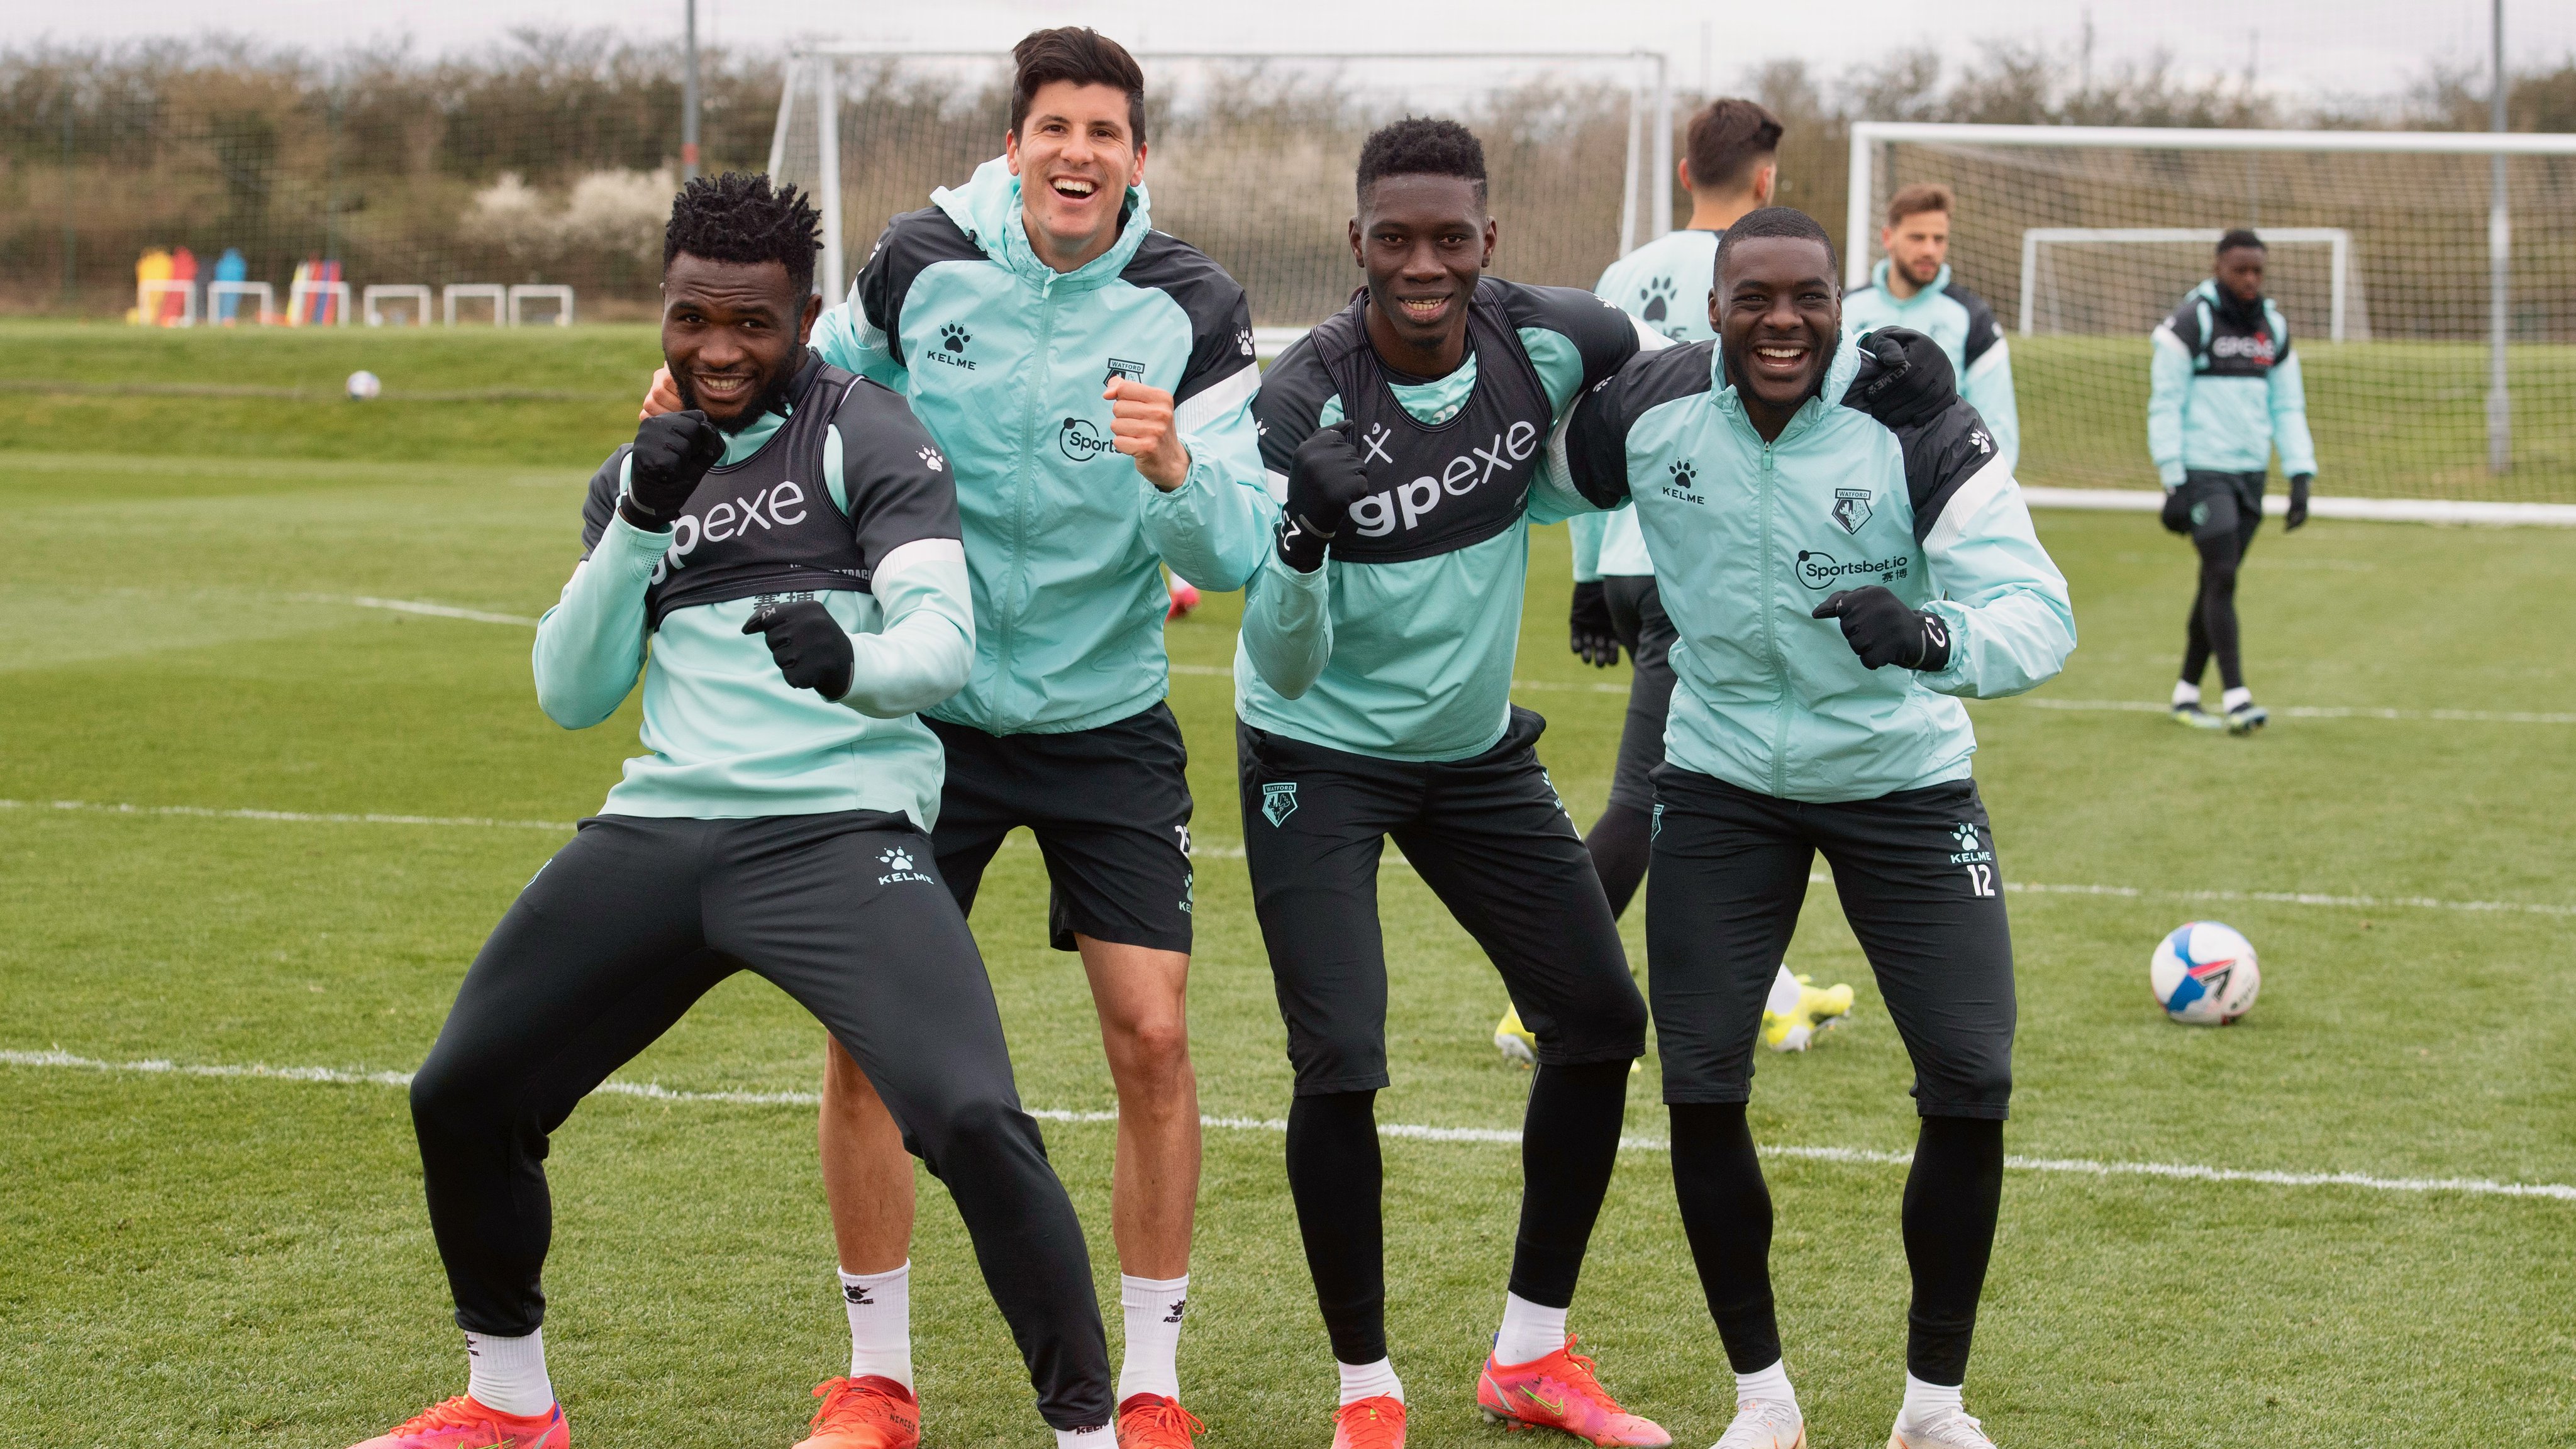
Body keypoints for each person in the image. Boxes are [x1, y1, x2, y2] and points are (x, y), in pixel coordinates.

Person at [353, 174, 1114, 1449]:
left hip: (834, 836)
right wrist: (640, 523)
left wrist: (852, 664)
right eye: (690, 319)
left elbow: (941, 642)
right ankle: (509, 1402)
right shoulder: (637, 473)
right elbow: (569, 692)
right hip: (659, 832)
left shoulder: (868, 433)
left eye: (750, 324)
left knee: (973, 1117)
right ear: (662, 308)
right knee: (462, 1093)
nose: (716, 351)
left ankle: (1085, 1433)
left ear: (803, 317)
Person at [643, 31, 1270, 1449]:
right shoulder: (919, 262)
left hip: (1105, 715)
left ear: (1137, 159)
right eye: (1053, 127)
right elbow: (804, 393)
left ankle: (1152, 1386)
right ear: (1013, 143)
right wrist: (695, 414)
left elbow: (1236, 548)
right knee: (869, 1046)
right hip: (923, 714)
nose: (1076, 154)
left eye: (1104, 133)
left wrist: (1172, 472)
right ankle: (875, 1379)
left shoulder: (1195, 305)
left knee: (1153, 1038)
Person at [1556, 208, 2074, 1449]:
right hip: (1722, 776)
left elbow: (2038, 609)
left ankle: (1932, 1408)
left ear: (1838, 304)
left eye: (1807, 299)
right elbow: (1510, 470)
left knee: (1969, 1077)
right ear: (1713, 304)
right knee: (1699, 1082)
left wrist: (1932, 636)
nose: (1781, 321)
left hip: (1901, 779)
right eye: (1754, 299)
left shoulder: (1910, 418)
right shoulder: (1652, 406)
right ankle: (1761, 1400)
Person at [1242, 117, 1670, 1449]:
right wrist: (1305, 538)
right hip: (1313, 753)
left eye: (1447, 238)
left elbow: (1640, 415)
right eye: (1393, 238)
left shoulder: (1557, 339)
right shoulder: (1296, 402)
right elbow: (1284, 662)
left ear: (1489, 245)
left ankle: (1529, 1356)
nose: (1420, 263)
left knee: (1597, 1019)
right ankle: (1365, 1392)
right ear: (1354, 245)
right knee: (1342, 1056)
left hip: (1474, 751)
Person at [1533, 96, 1854, 1066]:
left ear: (1685, 175)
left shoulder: (1626, 274)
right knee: (1654, 791)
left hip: (1629, 558)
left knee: (1733, 776)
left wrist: (1589, 579)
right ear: (1765, 183)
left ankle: (1778, 989)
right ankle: (1541, 988)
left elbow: (1584, 431)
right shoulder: (1791, 277)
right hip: (1706, 564)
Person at [2150, 228, 2316, 735]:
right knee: (2222, 575)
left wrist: (2300, 473)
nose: (2250, 279)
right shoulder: (2190, 322)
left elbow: (2287, 405)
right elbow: (2165, 403)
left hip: (2250, 475)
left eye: (2258, 271)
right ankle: (2238, 697)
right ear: (2218, 266)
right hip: (2204, 474)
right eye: (2240, 269)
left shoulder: (2273, 328)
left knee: (2213, 583)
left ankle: (2185, 691)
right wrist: (2174, 478)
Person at [1842, 184, 2020, 471]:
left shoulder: (1973, 318)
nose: (1929, 249)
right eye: (1917, 237)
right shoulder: (1845, 310)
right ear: (1888, 237)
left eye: (1939, 239)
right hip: (1857, 483)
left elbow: (1998, 424)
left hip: (1940, 485)